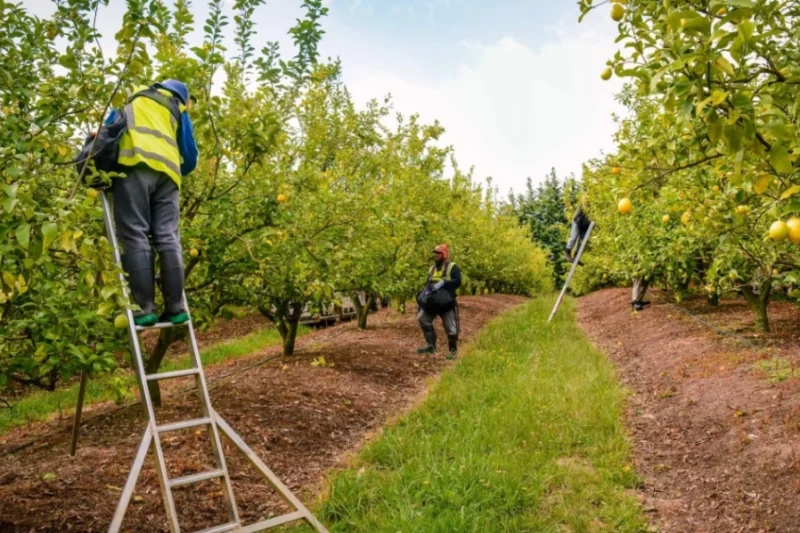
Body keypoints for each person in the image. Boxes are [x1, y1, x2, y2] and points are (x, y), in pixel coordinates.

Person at [107, 80, 198, 327]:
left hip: (134, 166)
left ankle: (145, 308)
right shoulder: (177, 108)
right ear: (183, 97)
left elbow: (108, 131)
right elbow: (190, 158)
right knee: (168, 237)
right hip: (168, 176)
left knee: (134, 232)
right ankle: (176, 307)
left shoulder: (131, 96)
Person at [417, 244, 462, 359]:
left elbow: (458, 282)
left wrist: (444, 283)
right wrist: (423, 301)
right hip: (432, 302)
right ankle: (431, 345)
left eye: (438, 253)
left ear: (444, 255)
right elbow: (427, 285)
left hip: (446, 302)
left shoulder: (453, 267)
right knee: (422, 318)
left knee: (450, 327)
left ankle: (453, 351)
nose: (436, 255)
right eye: (435, 253)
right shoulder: (432, 269)